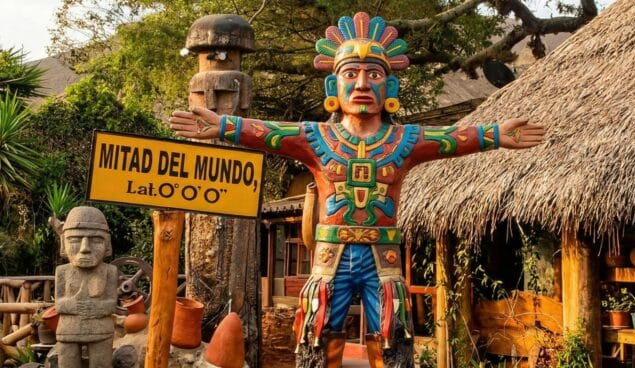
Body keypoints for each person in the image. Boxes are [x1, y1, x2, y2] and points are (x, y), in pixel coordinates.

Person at [168, 12, 545, 368]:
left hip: (384, 256)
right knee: (320, 333)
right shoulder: (317, 137)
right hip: (331, 256)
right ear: (334, 85)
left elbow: (451, 137)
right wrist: (222, 125)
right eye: (351, 73)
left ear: (389, 86)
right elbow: (267, 131)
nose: (362, 84)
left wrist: (496, 134)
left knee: (392, 334)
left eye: (373, 75)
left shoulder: (406, 139)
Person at [53, 206, 118, 368]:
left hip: (101, 330)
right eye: (75, 240)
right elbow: (59, 304)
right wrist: (74, 305)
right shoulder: (62, 271)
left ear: (107, 244)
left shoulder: (110, 271)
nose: (85, 248)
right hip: (68, 329)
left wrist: (95, 308)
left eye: (96, 240)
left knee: (101, 365)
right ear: (63, 243)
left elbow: (112, 303)